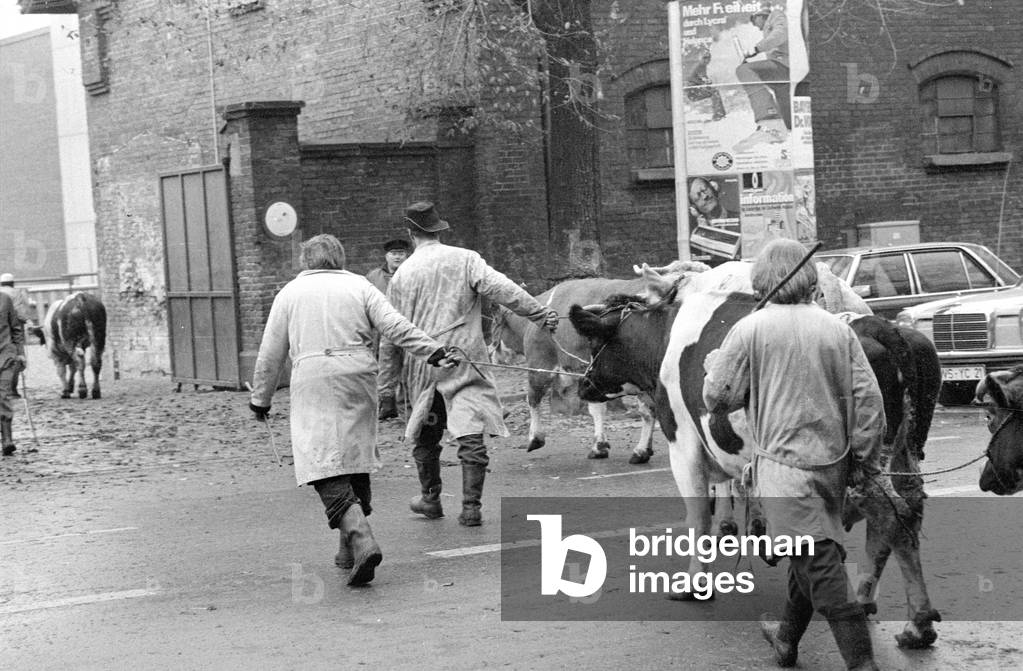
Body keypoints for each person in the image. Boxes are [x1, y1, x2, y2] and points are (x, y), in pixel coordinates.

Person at [702, 239, 884, 671]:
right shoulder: (837, 329)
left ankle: (863, 664)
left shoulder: (749, 329)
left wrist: (715, 366)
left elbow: (718, 398)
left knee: (821, 569)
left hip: (784, 474)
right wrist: (864, 461)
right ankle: (786, 640)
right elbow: (869, 401)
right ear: (808, 278)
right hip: (834, 469)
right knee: (811, 551)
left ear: (763, 282)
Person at [248, 233, 457, 587]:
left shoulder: (290, 293)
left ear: (306, 260)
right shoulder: (361, 286)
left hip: (313, 377)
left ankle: (361, 538)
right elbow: (395, 326)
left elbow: (271, 352)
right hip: (359, 374)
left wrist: (260, 399)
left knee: (321, 462)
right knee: (354, 455)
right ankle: (347, 548)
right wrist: (433, 351)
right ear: (340, 258)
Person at [379, 201, 558, 526]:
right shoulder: (465, 259)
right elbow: (503, 290)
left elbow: (391, 333)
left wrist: (386, 388)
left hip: (425, 364)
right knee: (470, 430)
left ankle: (430, 499)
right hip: (466, 358)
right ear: (439, 230)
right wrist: (540, 313)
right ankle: (471, 507)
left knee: (427, 434)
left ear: (410, 233)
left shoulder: (401, 275)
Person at [366, 239, 413, 420]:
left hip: (409, 327)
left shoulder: (413, 273)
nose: (397, 257)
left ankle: (407, 406)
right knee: (385, 367)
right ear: (386, 256)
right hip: (383, 329)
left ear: (406, 255)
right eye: (394, 253)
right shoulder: (374, 277)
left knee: (409, 366)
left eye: (401, 253)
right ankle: (387, 405)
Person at [734, 7, 791, 151]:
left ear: (759, 16)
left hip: (786, 66)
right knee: (786, 112)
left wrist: (757, 48)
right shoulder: (771, 24)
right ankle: (784, 133)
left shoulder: (776, 15)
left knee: (744, 70)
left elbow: (781, 33)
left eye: (754, 21)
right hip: (785, 70)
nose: (756, 26)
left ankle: (769, 121)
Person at [0, 273, 33, 399]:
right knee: (14, 360)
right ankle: (12, 390)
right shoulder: (17, 293)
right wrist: (28, 321)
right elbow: (20, 313)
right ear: (13, 283)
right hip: (11, 332)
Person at [1, 290, 25, 457]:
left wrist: (20, 352)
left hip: (4, 356)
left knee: (3, 395)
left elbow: (16, 328)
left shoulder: (5, 299)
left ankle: (7, 439)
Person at [684, 47, 727, 121]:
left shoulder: (702, 66)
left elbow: (703, 78)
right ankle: (718, 114)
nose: (707, 60)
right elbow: (693, 78)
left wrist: (708, 82)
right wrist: (704, 82)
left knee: (714, 91)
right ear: (700, 58)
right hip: (693, 92)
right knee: (714, 92)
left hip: (695, 90)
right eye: (704, 58)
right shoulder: (698, 66)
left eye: (708, 58)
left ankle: (720, 113)